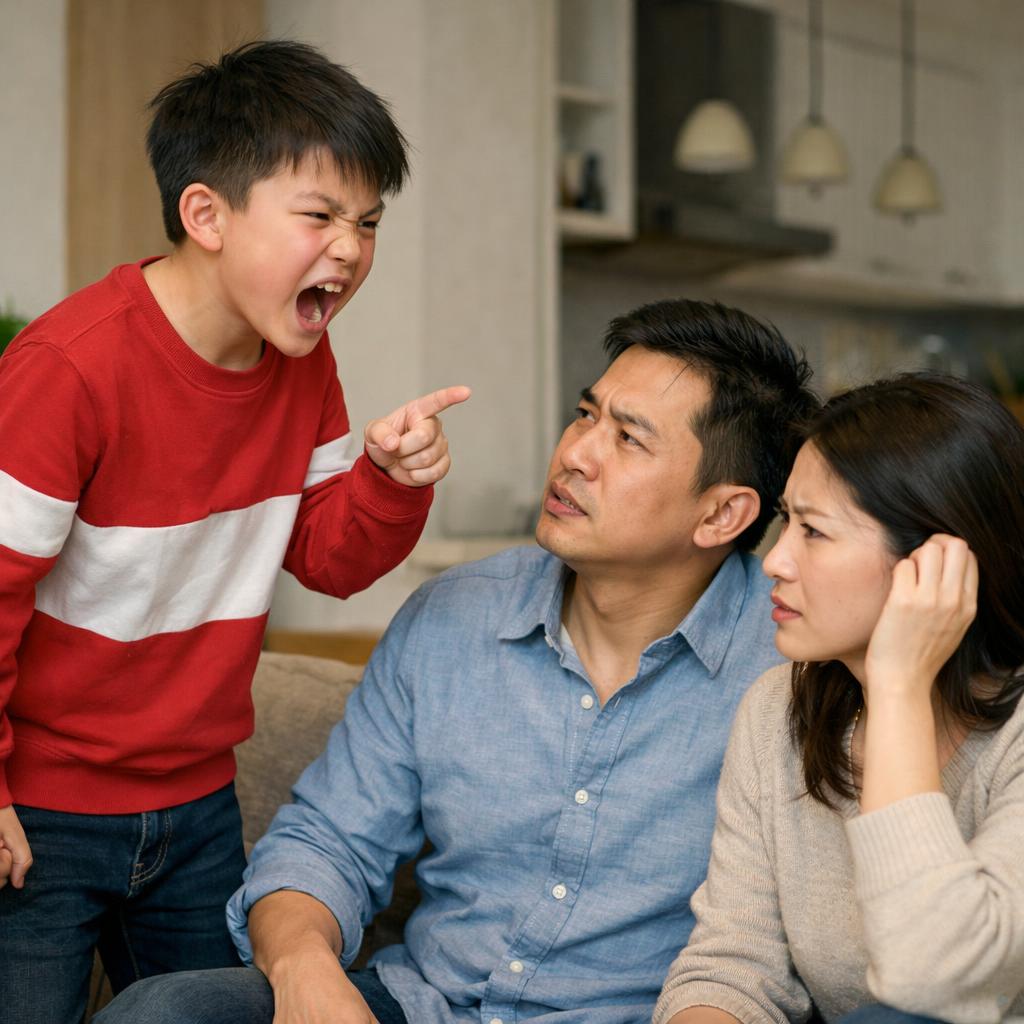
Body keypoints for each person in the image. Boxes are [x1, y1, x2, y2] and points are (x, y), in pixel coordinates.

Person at [94, 298, 819, 1024]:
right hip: (420, 1007)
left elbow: (779, 954)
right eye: (585, 415)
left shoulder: (797, 672)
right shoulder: (454, 616)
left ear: (721, 514)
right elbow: (327, 842)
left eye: (628, 439)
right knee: (165, 1010)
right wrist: (305, 969)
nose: (575, 453)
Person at [0, 40, 469, 1023]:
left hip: (197, 811)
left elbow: (328, 557)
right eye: (319, 215)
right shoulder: (70, 369)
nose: (351, 248)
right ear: (206, 215)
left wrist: (387, 482)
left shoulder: (303, 362)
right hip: (41, 812)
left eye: (368, 222)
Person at [656, 374, 1024, 1024]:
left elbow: (933, 979)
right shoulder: (777, 712)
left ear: (937, 561)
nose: (775, 561)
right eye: (785, 522)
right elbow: (734, 965)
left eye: (815, 532)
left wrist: (899, 686)